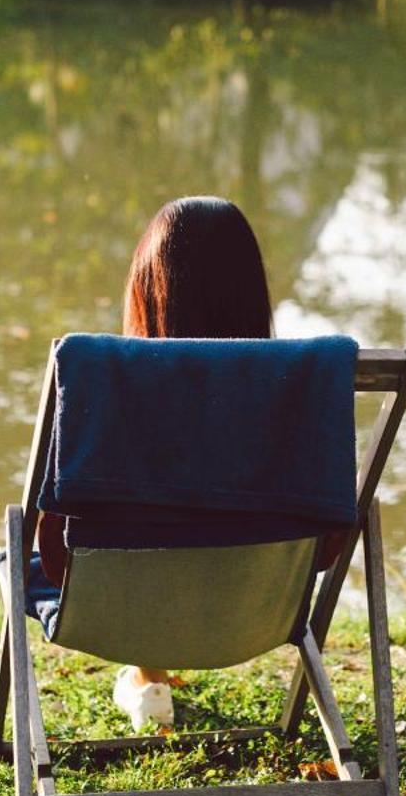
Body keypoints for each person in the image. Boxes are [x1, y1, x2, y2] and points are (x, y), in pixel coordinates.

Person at [40, 196, 279, 727]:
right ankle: (150, 679)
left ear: (148, 288)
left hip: (115, 611)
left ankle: (150, 677)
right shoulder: (292, 393)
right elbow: (327, 541)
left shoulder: (107, 386)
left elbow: (55, 550)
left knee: (87, 545)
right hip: (260, 608)